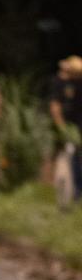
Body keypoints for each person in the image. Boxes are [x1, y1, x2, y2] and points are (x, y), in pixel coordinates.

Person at [48, 55, 82, 199]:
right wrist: (61, 127)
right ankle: (77, 192)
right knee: (73, 156)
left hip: (78, 124)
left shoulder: (78, 82)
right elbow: (55, 107)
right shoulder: (59, 82)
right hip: (69, 127)